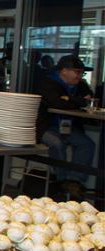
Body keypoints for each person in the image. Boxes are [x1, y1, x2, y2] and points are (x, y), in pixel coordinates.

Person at [33, 55, 95, 187]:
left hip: (69, 127)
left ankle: (73, 181)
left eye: (82, 73)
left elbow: (89, 101)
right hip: (46, 126)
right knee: (57, 144)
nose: (80, 76)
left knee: (87, 144)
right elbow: (56, 103)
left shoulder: (81, 85)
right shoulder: (47, 83)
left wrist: (69, 99)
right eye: (77, 72)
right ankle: (61, 181)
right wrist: (78, 101)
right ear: (64, 71)